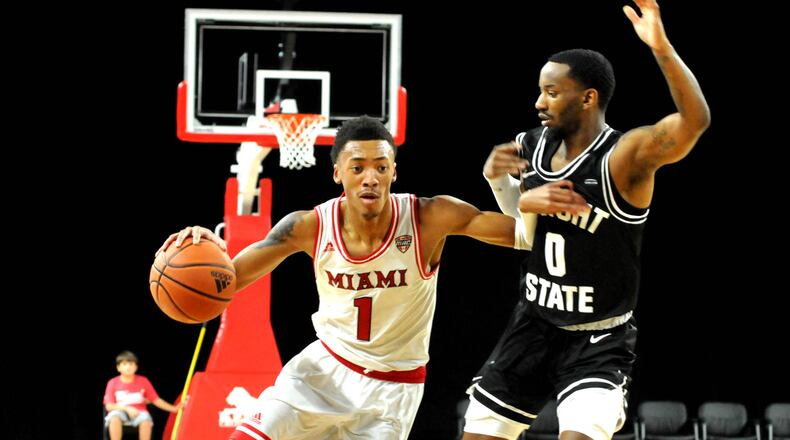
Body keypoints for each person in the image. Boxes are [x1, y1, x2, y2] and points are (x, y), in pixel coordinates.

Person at [157, 115, 588, 440]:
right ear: (337, 173)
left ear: (394, 172)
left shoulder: (429, 217)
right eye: (358, 166)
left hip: (392, 390)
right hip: (322, 371)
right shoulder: (307, 226)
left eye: (381, 166)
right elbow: (225, 282)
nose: (370, 177)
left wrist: (510, 188)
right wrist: (199, 251)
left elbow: (522, 237)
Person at [462, 1, 710, 440]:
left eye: (552, 92)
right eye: (540, 90)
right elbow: (524, 237)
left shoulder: (624, 158)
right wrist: (501, 185)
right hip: (532, 326)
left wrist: (661, 47)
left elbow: (695, 121)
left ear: (588, 97)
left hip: (598, 339)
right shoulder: (530, 146)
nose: (539, 101)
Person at [103, 350, 182, 440]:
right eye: (124, 364)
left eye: (131, 364)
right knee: (114, 417)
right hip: (120, 411)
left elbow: (156, 400)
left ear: (136, 367)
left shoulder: (144, 381)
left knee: (146, 420)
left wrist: (174, 409)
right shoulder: (112, 382)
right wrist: (127, 408)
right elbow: (108, 406)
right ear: (118, 367)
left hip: (139, 412)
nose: (128, 367)